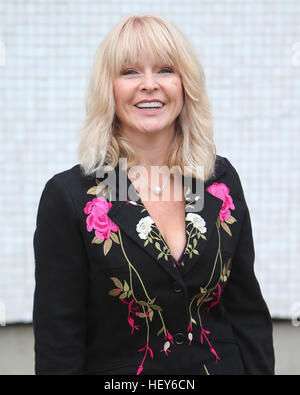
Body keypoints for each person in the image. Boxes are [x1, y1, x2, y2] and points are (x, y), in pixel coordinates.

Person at [33, 14, 275, 375]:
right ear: (108, 88)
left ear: (184, 84)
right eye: (129, 72)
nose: (149, 85)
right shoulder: (72, 196)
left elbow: (247, 312)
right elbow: (59, 342)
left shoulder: (215, 181)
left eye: (165, 70)